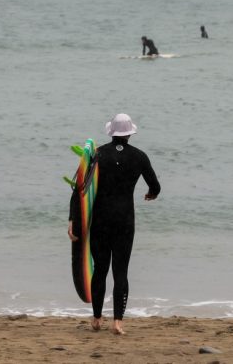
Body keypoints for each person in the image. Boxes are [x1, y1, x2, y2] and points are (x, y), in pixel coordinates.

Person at [68, 113, 160, 335]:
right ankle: (118, 322)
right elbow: (155, 186)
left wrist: (73, 219)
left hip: (100, 221)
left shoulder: (97, 155)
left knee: (100, 270)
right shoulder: (140, 157)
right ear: (129, 133)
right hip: (124, 221)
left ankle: (97, 319)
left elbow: (78, 188)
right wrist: (150, 194)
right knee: (121, 272)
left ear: (111, 132)